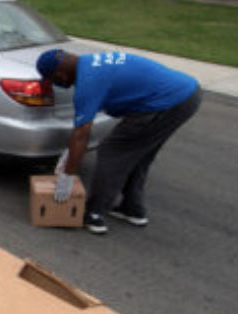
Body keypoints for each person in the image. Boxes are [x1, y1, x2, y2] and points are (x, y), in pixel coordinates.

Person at [36, 48, 202, 235]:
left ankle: (94, 214)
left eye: (52, 80)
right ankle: (133, 209)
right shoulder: (91, 62)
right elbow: (86, 120)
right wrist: (69, 153)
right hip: (186, 94)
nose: (57, 84)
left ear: (60, 75)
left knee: (111, 151)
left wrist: (67, 177)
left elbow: (82, 134)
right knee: (138, 154)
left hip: (165, 102)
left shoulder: (88, 82)